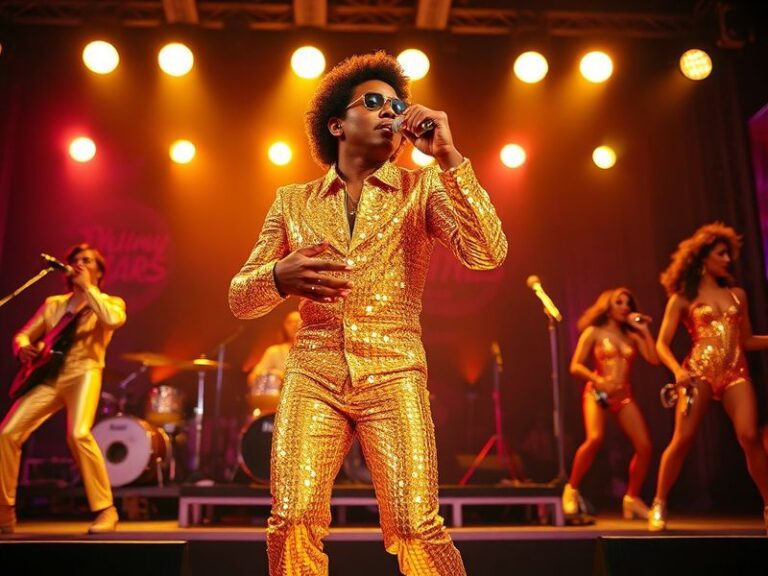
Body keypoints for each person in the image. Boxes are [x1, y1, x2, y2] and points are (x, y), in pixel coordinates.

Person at [229, 51, 507, 575]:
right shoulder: (292, 201)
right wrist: (276, 278)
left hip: (393, 370)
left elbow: (486, 251)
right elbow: (240, 298)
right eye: (374, 101)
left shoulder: (421, 189)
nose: (390, 112)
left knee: (412, 524)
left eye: (397, 105)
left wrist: (449, 159)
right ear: (337, 123)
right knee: (291, 517)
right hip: (314, 371)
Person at [649, 222, 768, 531]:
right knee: (683, 439)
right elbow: (661, 343)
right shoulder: (682, 298)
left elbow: (747, 340)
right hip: (698, 372)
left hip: (734, 372)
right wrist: (678, 371)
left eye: (729, 254)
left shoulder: (737, 294)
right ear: (703, 257)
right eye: (721, 253)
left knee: (750, 436)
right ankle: (660, 502)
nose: (728, 259)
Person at [0, 243, 126, 534]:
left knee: (78, 434)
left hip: (85, 372)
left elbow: (112, 320)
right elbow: (22, 335)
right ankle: (5, 510)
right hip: (49, 377)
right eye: (77, 260)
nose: (81, 264)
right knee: (7, 433)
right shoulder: (54, 304)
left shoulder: (110, 302)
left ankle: (106, 510)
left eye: (89, 261)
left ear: (98, 271)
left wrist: (89, 290)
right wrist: (22, 349)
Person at [562, 288, 658, 521]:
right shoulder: (594, 332)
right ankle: (572, 489)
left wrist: (644, 331)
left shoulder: (632, 336)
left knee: (645, 446)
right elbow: (575, 365)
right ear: (608, 306)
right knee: (595, 438)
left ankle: (632, 498)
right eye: (619, 302)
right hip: (598, 393)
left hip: (623, 395)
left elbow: (654, 359)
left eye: (628, 303)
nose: (625, 306)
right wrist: (598, 380)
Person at [246, 310, 301, 386]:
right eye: (290, 322)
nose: (294, 325)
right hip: (280, 396)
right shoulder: (274, 351)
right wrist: (273, 374)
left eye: (298, 321)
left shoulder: (314, 351)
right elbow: (252, 379)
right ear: (285, 326)